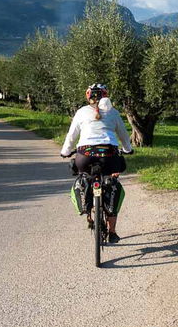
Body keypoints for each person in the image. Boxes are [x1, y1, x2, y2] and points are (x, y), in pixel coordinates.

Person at [61, 83, 133, 243]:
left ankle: (88, 213)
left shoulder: (81, 112)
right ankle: (112, 231)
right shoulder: (113, 112)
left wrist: (65, 151)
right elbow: (123, 135)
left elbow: (71, 136)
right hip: (109, 155)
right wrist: (128, 149)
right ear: (105, 95)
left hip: (84, 155)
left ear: (88, 96)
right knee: (112, 182)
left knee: (83, 176)